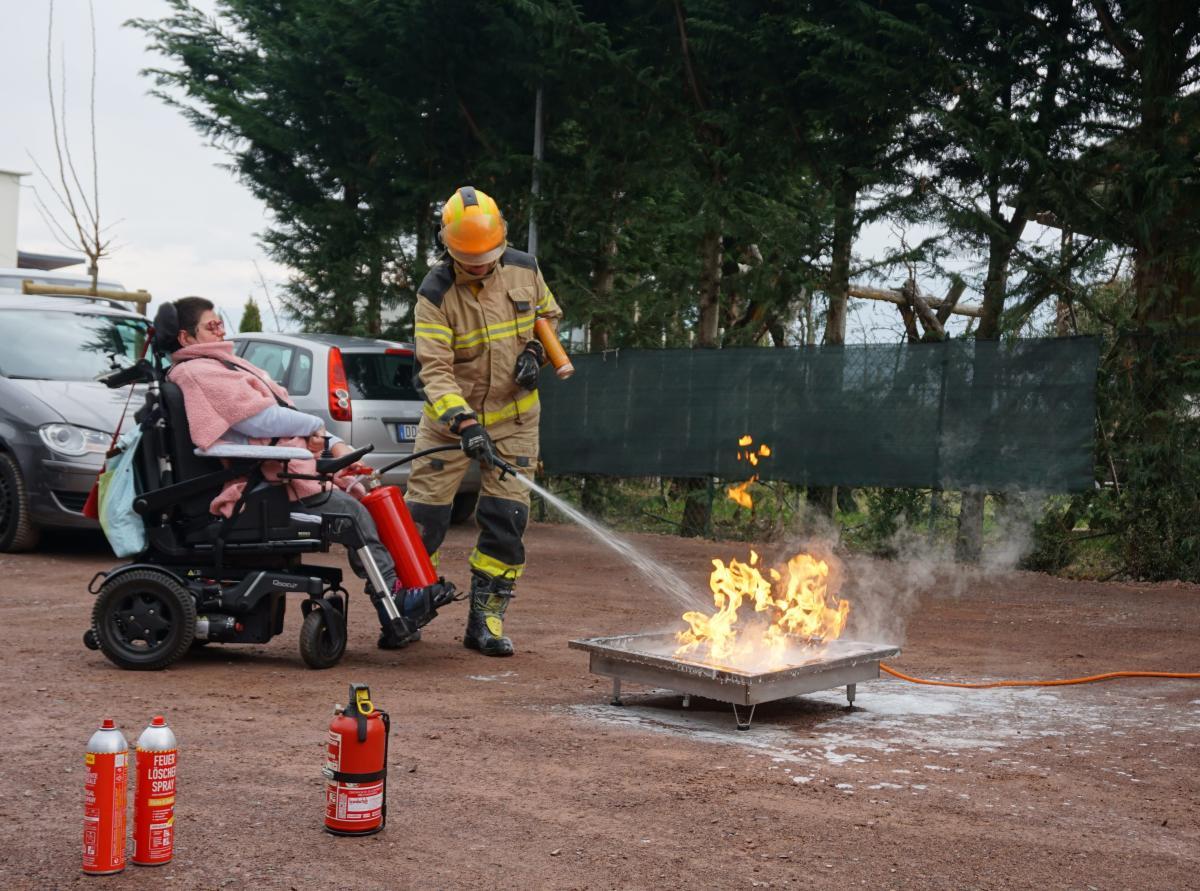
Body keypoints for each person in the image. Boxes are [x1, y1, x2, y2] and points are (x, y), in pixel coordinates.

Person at [166, 296, 430, 649]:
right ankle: (394, 606)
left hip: (278, 467)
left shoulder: (222, 364)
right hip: (261, 482)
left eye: (220, 323)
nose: (221, 331)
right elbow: (257, 420)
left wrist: (335, 444)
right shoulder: (198, 371)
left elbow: (280, 413)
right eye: (210, 326)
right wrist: (315, 428)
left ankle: (403, 599)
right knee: (351, 514)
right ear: (185, 338)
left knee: (365, 498)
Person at [407, 186, 563, 657]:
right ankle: (408, 607)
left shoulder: (524, 268)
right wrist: (464, 423)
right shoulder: (434, 294)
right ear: (448, 247)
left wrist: (535, 352)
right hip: (449, 424)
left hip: (516, 419)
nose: (479, 266)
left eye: (486, 258)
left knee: (506, 519)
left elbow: (548, 314)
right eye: (469, 260)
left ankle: (485, 620)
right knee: (423, 521)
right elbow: (435, 371)